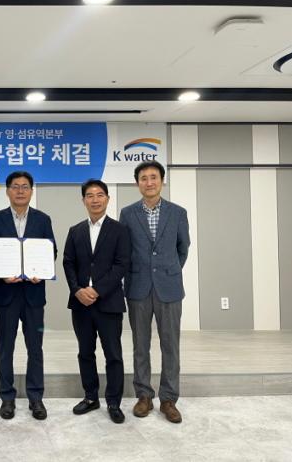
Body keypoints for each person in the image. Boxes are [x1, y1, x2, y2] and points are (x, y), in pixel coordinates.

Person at [119, 160, 190, 423]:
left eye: (153, 177)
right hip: (138, 287)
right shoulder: (127, 213)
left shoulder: (177, 212)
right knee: (140, 345)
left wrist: (167, 271)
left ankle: (168, 399)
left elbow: (183, 248)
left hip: (169, 287)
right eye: (144, 178)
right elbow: (123, 250)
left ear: (162, 180)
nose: (149, 182)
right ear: (137, 183)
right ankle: (144, 396)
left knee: (170, 345)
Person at [0, 171, 56, 420]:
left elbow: (51, 251)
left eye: (25, 186)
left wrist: (41, 272)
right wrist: (0, 273)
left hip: (33, 294)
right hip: (5, 294)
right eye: (15, 186)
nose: (20, 191)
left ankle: (36, 398)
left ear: (31, 191)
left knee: (35, 348)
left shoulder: (43, 219)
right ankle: (7, 397)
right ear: (8, 191)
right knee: (6, 348)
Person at [63, 179, 131, 424]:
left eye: (100, 195)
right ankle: (91, 397)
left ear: (107, 199)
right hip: (80, 303)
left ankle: (114, 402)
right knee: (85, 352)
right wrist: (77, 290)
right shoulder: (75, 231)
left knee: (113, 354)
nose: (95, 199)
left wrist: (97, 290)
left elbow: (122, 264)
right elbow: (68, 262)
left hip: (109, 302)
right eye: (90, 195)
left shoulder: (120, 230)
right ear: (83, 200)